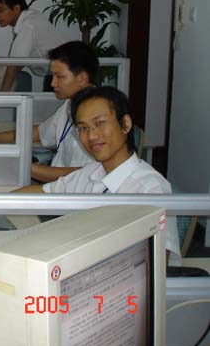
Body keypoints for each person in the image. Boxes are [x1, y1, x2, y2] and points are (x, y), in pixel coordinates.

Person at [14, 86, 180, 260]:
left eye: (99, 123)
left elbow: (158, 262)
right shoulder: (91, 173)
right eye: (83, 128)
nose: (91, 136)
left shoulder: (150, 190)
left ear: (125, 124)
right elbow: (41, 193)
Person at [0, 41, 97, 182]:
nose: (53, 83)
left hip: (71, 190)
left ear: (82, 78)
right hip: (58, 185)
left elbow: (80, 176)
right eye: (52, 76)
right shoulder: (70, 104)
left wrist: (18, 165)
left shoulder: (95, 118)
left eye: (59, 76)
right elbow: (41, 132)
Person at [0, 0, 67, 92]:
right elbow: (18, 63)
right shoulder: (29, 19)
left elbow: (13, 66)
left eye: (0, 10)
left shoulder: (28, 25)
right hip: (57, 73)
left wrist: (3, 97)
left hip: (66, 75)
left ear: (16, 9)